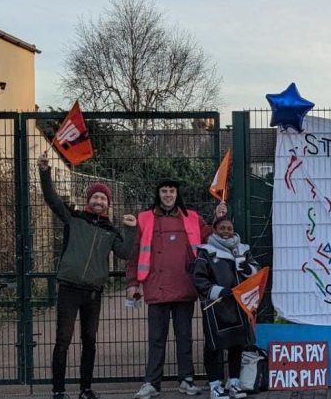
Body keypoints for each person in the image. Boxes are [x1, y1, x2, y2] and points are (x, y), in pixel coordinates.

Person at [38, 153, 137, 399]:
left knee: (89, 341)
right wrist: (44, 172)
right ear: (89, 200)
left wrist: (131, 230)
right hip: (69, 289)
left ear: (108, 203)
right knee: (63, 340)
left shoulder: (111, 230)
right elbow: (51, 199)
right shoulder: (74, 218)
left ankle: (86, 388)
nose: (99, 201)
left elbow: (125, 253)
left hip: (93, 292)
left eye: (103, 198)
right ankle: (58, 390)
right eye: (95, 197)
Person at [128, 179, 227, 399]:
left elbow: (210, 236)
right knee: (156, 339)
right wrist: (132, 283)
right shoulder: (144, 218)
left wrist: (219, 217)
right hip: (156, 287)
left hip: (185, 285)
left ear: (177, 194)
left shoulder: (192, 217)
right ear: (158, 194)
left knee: (185, 337)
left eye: (172, 191)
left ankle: (186, 380)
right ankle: (152, 383)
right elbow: (135, 253)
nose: (168, 195)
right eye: (164, 191)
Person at [193, 217, 260, 399]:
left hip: (238, 306)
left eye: (229, 228)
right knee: (214, 347)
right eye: (222, 228)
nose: (226, 231)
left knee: (236, 345)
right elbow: (199, 279)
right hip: (216, 307)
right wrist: (218, 292)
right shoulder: (206, 252)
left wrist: (249, 269)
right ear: (214, 229)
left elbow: (256, 271)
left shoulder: (243, 250)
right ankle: (215, 385)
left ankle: (234, 382)